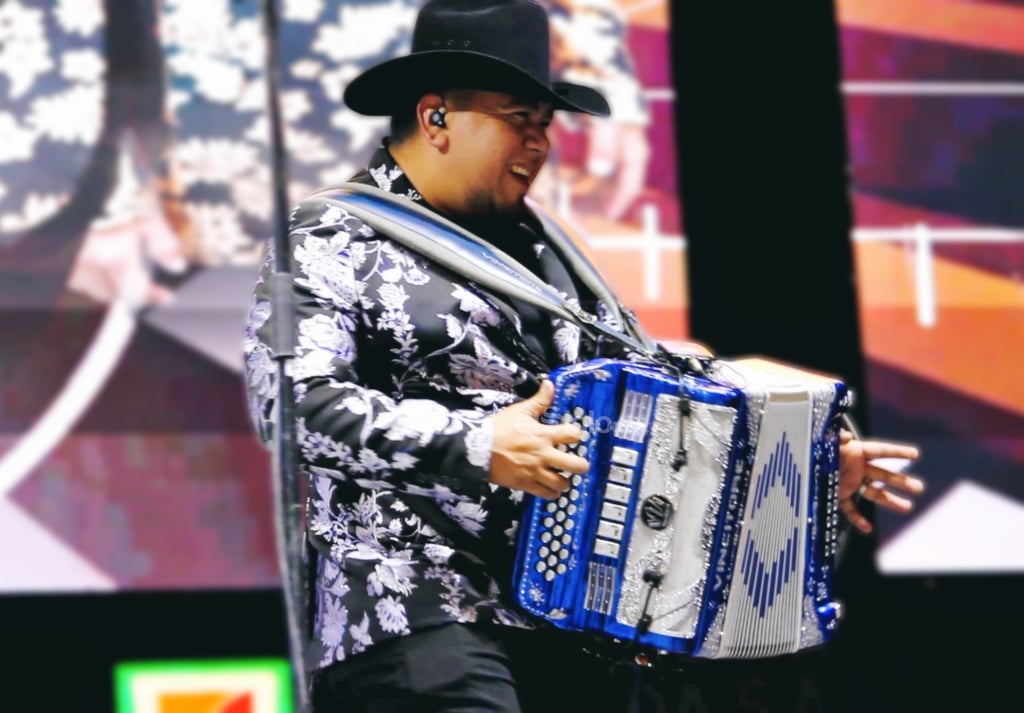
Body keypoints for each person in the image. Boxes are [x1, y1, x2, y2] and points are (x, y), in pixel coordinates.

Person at [242, 1, 925, 711]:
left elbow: (659, 391)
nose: (538, 144)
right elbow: (291, 405)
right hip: (415, 610)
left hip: (573, 618)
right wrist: (476, 442)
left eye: (544, 123)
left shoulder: (550, 253)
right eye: (518, 118)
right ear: (435, 117)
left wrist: (805, 460)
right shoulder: (331, 233)